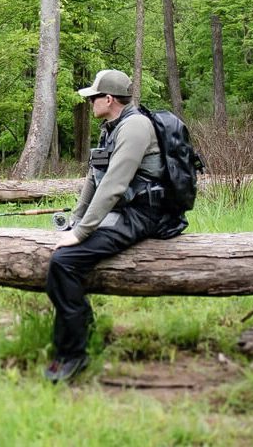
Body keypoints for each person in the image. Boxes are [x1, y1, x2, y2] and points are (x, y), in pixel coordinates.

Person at [44, 69, 179, 383]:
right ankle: (85, 330)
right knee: (61, 257)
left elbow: (114, 186)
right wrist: (74, 222)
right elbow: (94, 179)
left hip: (143, 215)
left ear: (108, 99)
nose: (89, 102)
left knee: (64, 263)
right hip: (123, 211)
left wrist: (80, 234)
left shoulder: (135, 128)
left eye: (93, 97)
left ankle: (72, 354)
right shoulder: (112, 127)